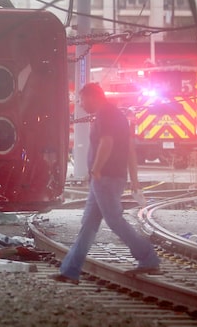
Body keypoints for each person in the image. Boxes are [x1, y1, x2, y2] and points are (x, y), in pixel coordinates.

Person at [51, 82, 159, 284]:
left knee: (114, 221)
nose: (81, 105)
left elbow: (106, 142)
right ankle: (70, 270)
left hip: (105, 178)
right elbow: (130, 150)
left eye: (82, 99)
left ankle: (148, 257)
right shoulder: (118, 115)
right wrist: (134, 180)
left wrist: (96, 169)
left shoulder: (105, 115)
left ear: (93, 97)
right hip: (109, 178)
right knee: (89, 224)